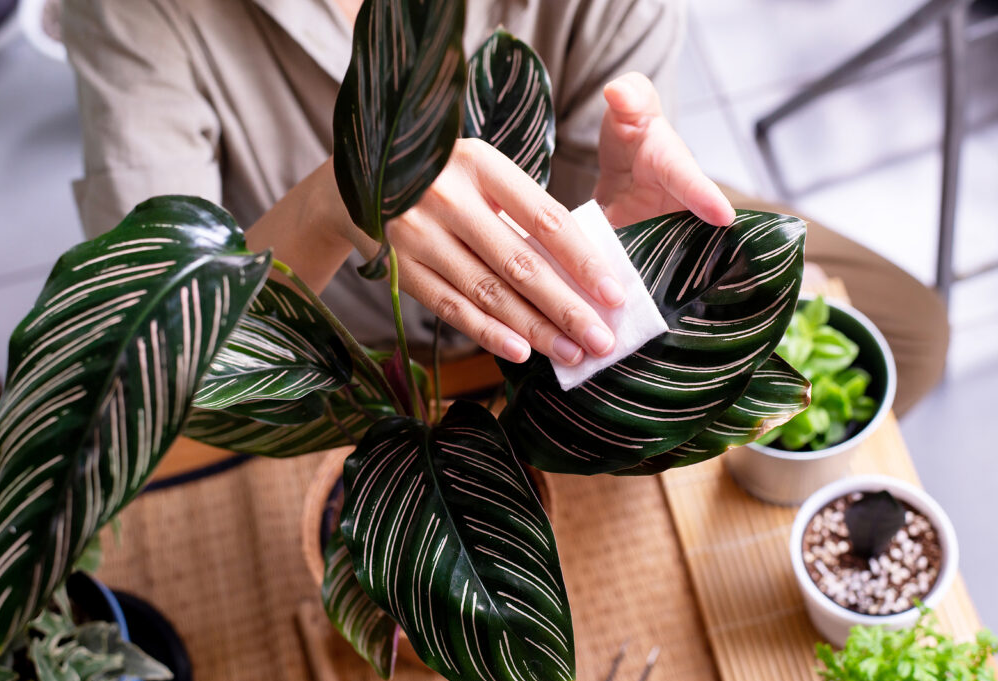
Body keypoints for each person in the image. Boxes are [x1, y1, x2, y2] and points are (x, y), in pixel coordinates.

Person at [62, 0, 946, 415]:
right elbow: (140, 348)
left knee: (911, 334)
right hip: (335, 332)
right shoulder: (137, 14)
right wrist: (340, 201)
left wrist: (632, 239)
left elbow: (620, 157)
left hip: (548, 289)